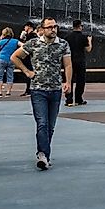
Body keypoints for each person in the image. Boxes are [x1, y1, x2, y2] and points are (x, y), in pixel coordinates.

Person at [11, 17, 71, 170]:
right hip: (38, 90)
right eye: (49, 27)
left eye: (55, 27)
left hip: (55, 89)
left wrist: (68, 82)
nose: (53, 29)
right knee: (42, 123)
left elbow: (68, 64)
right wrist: (27, 72)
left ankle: (45, 154)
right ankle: (42, 155)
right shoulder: (33, 43)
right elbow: (15, 57)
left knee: (50, 126)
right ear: (42, 29)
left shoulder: (63, 44)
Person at [61, 20, 92, 106]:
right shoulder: (83, 37)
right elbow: (88, 49)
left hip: (69, 61)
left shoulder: (67, 37)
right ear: (80, 26)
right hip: (80, 61)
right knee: (80, 80)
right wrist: (89, 41)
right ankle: (78, 99)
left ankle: (69, 99)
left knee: (69, 79)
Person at [0, 27, 19, 98]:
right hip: (11, 60)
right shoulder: (15, 41)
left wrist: (0, 40)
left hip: (2, 59)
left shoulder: (2, 41)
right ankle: (8, 92)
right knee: (10, 76)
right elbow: (23, 45)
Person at [18, 22, 38, 96]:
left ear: (29, 26)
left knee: (29, 73)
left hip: (29, 58)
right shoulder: (31, 35)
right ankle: (28, 89)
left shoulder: (31, 36)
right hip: (29, 58)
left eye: (25, 27)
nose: (24, 28)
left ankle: (29, 90)